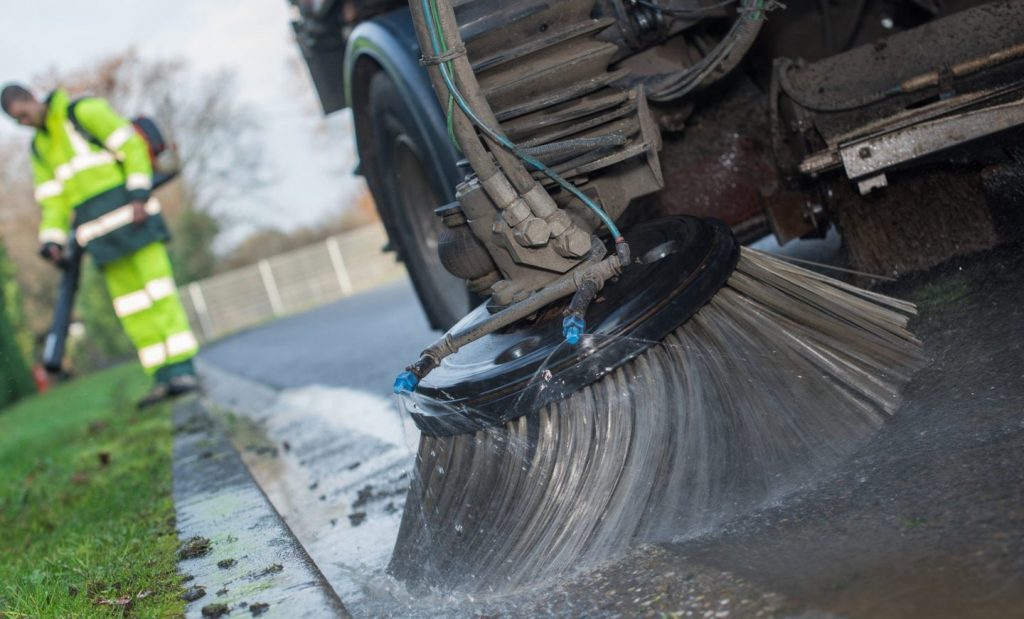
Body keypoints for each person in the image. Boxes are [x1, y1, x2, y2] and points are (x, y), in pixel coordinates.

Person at [1, 83, 199, 407]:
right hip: (100, 240)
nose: (23, 122)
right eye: (16, 121)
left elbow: (132, 147)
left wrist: (138, 194)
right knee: (132, 308)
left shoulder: (83, 113)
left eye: (22, 115)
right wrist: (50, 241)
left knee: (159, 295)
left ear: (30, 99)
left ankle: (183, 370)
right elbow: (52, 202)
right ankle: (162, 377)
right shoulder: (40, 149)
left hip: (136, 223)